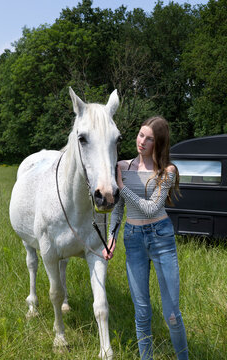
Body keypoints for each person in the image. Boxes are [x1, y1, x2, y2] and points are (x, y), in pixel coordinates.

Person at [102, 116, 188, 360]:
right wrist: (112, 237)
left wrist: (122, 186)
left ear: (158, 143)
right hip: (133, 239)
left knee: (172, 314)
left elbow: (151, 208)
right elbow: (118, 208)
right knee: (142, 313)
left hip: (161, 239)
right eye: (141, 135)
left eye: (149, 139)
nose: (142, 141)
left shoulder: (166, 171)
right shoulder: (123, 167)